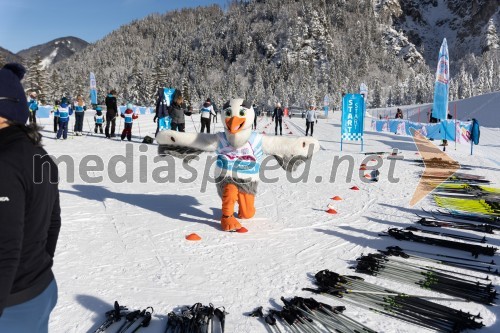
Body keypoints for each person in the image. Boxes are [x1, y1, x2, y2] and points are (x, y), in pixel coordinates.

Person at [0, 63, 61, 333]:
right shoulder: (40, 156)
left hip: (14, 305)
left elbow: (5, 250)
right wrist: (37, 267)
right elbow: (53, 223)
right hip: (40, 288)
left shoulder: (5, 163)